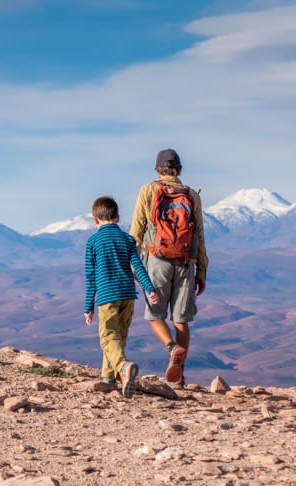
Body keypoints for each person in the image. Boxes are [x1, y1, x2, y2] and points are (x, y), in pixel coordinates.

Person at [130, 148, 208, 388]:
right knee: (181, 321)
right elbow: (199, 236)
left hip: (156, 261)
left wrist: (133, 266)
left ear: (157, 169)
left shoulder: (148, 190)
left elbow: (136, 231)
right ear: (180, 170)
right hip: (185, 263)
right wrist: (201, 270)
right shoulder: (192, 195)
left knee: (154, 315)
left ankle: (172, 347)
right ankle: (180, 375)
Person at [84, 196, 159, 399]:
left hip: (107, 296)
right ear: (117, 217)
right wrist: (149, 289)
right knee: (119, 337)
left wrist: (88, 306)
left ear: (95, 219)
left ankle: (124, 368)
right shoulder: (128, 239)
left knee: (108, 337)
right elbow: (139, 267)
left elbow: (90, 277)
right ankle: (108, 378)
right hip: (128, 295)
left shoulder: (92, 242)